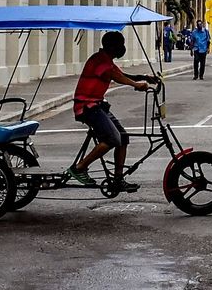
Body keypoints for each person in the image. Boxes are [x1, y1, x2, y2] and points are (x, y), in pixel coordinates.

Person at [65, 30, 152, 189]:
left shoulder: (107, 60)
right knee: (112, 139)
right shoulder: (100, 61)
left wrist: (144, 77)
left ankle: (118, 180)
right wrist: (137, 85)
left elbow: (121, 73)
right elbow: (116, 76)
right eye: (120, 44)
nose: (122, 48)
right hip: (87, 107)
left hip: (97, 105)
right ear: (112, 46)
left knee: (123, 138)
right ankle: (79, 168)